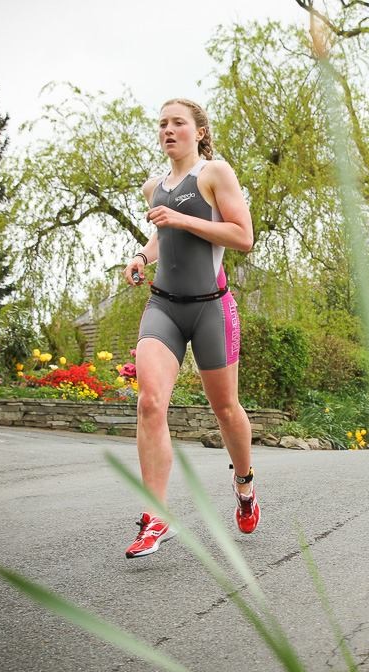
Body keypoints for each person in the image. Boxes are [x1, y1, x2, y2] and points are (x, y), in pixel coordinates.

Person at [121, 98, 258, 558]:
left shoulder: (215, 174)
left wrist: (181, 218)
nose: (168, 130)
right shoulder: (152, 186)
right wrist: (143, 255)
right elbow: (164, 234)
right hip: (164, 306)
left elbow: (243, 237)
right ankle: (155, 515)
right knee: (150, 401)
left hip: (211, 309)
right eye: (162, 124)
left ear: (199, 131)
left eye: (178, 122)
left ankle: (244, 485)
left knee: (226, 409)